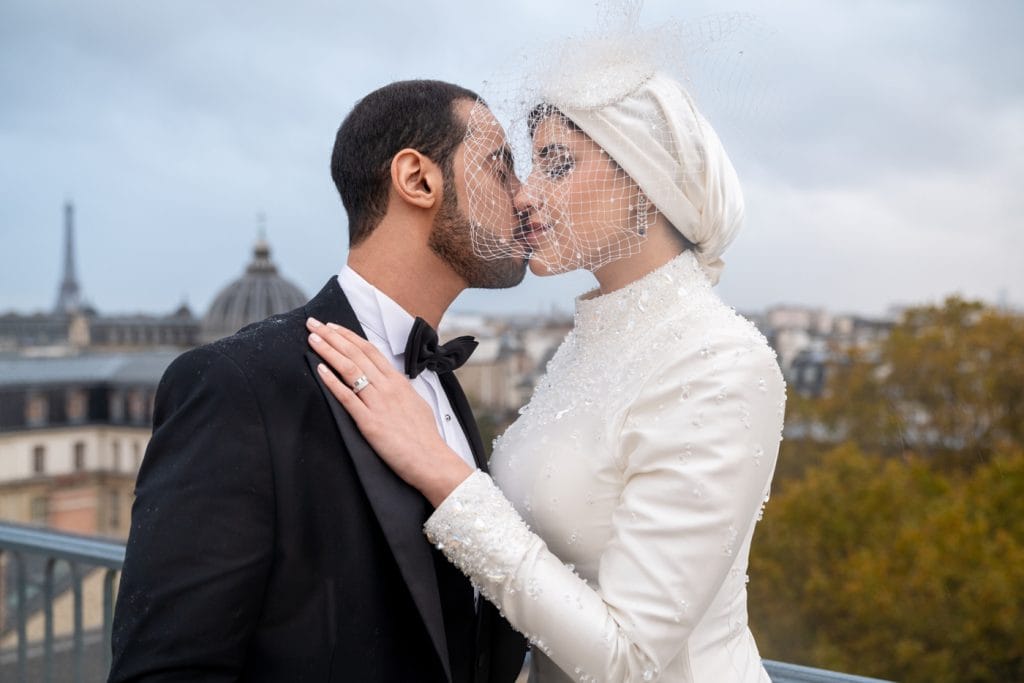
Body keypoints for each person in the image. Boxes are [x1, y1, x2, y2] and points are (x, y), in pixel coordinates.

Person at [307, 64, 787, 681]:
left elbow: (630, 658)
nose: (526, 195)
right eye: (528, 167)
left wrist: (440, 472)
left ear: (644, 183)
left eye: (556, 165)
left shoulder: (720, 363)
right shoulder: (588, 346)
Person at [109, 79, 528, 683]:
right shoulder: (236, 386)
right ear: (417, 180)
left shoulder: (443, 380)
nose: (525, 197)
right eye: (502, 167)